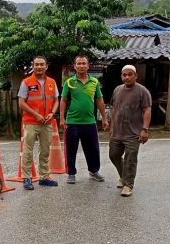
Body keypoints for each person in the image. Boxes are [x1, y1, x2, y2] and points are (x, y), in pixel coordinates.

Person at [60, 55, 109, 184]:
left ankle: (94, 171)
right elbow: (63, 100)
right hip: (72, 122)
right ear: (75, 66)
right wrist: (62, 118)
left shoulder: (94, 82)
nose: (81, 66)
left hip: (90, 122)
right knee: (71, 149)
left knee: (92, 148)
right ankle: (71, 173)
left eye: (84, 63)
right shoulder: (69, 82)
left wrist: (104, 118)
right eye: (79, 63)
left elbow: (99, 100)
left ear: (88, 66)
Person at [108, 65, 151, 197]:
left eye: (129, 74)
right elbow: (114, 108)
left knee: (130, 159)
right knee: (113, 155)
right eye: (124, 75)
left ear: (135, 76)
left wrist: (145, 129)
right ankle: (123, 176)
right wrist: (112, 126)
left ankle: (128, 185)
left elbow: (147, 110)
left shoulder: (142, 91)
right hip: (117, 131)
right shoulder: (117, 90)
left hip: (133, 133)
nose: (126, 77)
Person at [18, 56, 60, 190]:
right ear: (33, 66)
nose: (39, 67)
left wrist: (52, 113)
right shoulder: (26, 82)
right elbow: (21, 103)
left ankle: (44, 177)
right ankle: (27, 178)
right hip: (31, 122)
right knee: (27, 151)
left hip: (47, 122)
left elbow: (56, 100)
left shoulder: (52, 82)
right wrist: (36, 115)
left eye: (42, 64)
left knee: (45, 150)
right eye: (36, 64)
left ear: (46, 66)